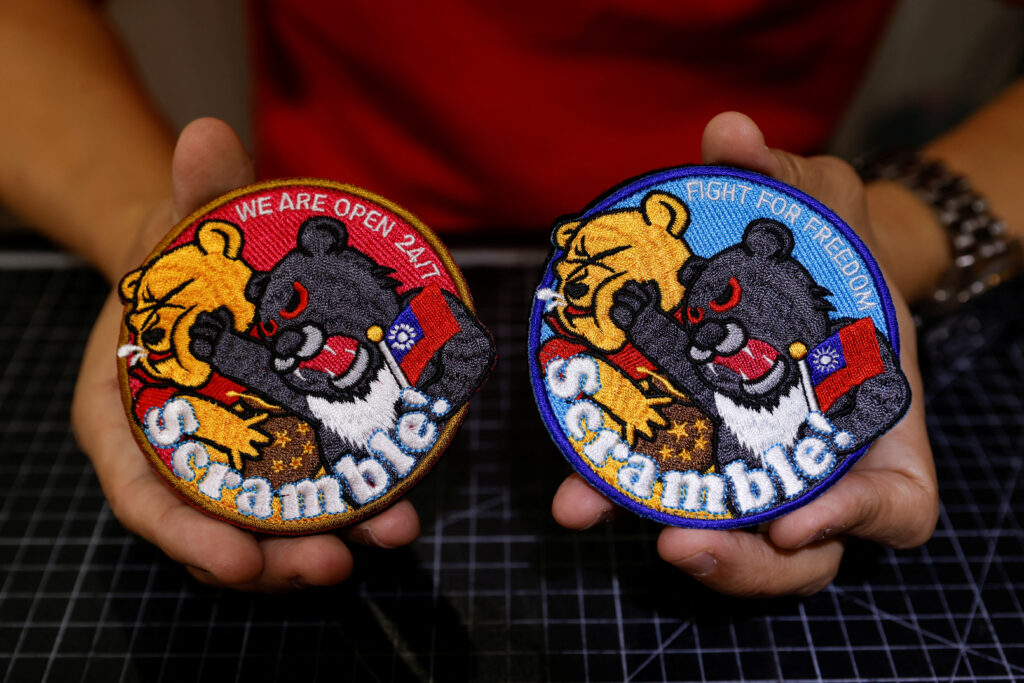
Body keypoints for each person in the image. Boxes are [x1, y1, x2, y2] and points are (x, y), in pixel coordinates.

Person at [2, 0, 1022, 596]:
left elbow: (678, 336)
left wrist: (891, 233)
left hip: (723, 233)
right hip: (356, 231)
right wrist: (150, 237)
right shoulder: (327, 321)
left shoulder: (757, 316)